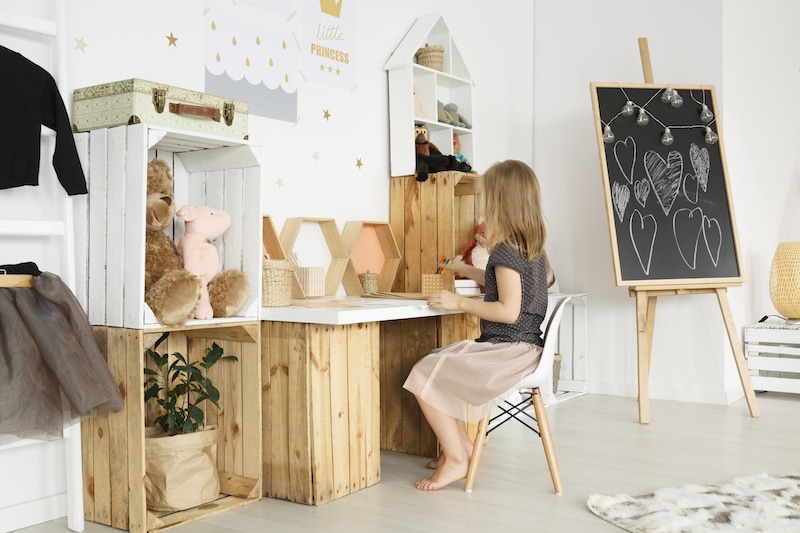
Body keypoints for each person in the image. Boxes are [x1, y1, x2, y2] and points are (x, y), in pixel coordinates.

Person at [402, 159, 550, 491]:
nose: (483, 207)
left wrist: (460, 302)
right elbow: (509, 286)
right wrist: (468, 271)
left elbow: (508, 310)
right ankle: (463, 448)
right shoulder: (528, 250)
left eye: (486, 198)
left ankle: (456, 457)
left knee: (425, 372)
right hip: (524, 349)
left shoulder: (505, 252)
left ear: (500, 202)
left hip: (510, 352)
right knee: (439, 362)